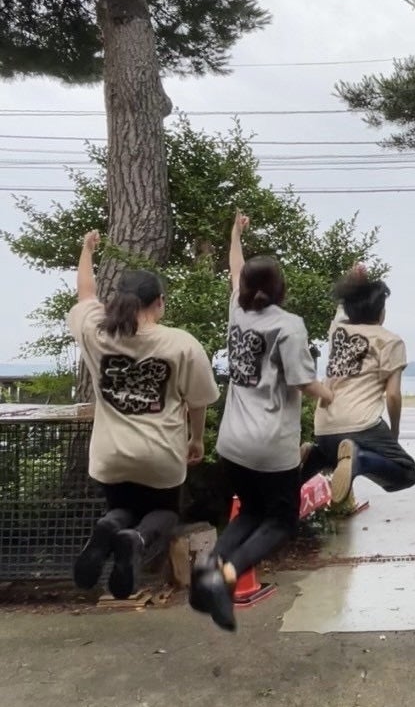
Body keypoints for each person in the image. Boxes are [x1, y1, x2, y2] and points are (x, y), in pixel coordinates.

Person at [190, 212, 334, 631]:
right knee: (282, 521)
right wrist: (329, 393)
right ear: (280, 288)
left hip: (232, 442)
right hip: (270, 446)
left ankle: (210, 571)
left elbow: (236, 269)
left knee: (251, 511)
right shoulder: (288, 326)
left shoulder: (237, 311)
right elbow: (304, 382)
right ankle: (225, 576)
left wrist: (234, 233)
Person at [69, 231, 220, 600]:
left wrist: (86, 251)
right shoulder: (181, 343)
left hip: (110, 456)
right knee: (165, 513)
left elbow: (85, 295)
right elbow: (198, 401)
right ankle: (135, 539)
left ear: (118, 299)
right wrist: (196, 439)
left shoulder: (96, 332)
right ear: (160, 302)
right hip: (160, 455)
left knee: (121, 507)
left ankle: (109, 527)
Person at [302, 265, 415, 503]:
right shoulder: (390, 341)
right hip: (361, 425)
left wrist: (354, 280)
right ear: (381, 312)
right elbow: (393, 395)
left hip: (324, 427)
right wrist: (394, 432)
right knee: (407, 473)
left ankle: (314, 456)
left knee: (335, 454)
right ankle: (361, 460)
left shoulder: (338, 330)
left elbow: (343, 306)